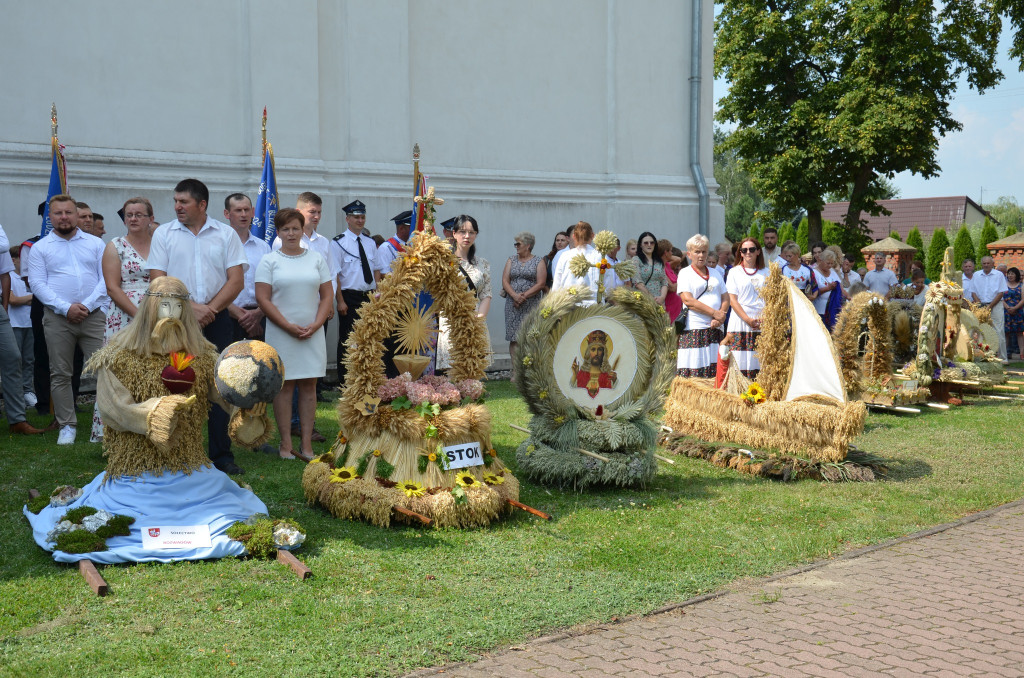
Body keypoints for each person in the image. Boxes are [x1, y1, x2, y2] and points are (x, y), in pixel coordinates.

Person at [147, 178, 246, 474]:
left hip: (216, 323)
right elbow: (157, 280)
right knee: (177, 381)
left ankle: (221, 455)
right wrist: (191, 308)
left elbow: (236, 280)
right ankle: (177, 450)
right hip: (176, 322)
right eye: (176, 201)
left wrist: (211, 309)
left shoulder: (225, 234)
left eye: (184, 202)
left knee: (219, 385)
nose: (177, 206)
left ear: (202, 205)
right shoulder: (164, 234)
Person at [28, 195, 108, 444]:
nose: (64, 217)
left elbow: (106, 278)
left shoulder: (96, 244)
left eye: (68, 212)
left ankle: (105, 424)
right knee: (61, 372)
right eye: (58, 213)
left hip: (94, 316)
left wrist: (85, 305)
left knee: (107, 371)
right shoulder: (41, 247)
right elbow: (37, 284)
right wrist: (66, 308)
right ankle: (67, 425)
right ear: (50, 218)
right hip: (57, 318)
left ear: (77, 214)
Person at [255, 208, 333, 461]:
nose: (291, 233)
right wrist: (287, 326)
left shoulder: (316, 259)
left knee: (309, 386)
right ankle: (286, 445)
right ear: (278, 232)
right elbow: (263, 299)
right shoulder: (269, 261)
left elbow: (327, 295)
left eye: (295, 228)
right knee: (284, 387)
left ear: (303, 230)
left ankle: (307, 445)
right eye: (285, 229)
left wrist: (317, 323)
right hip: (281, 332)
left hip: (312, 333)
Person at [90, 197, 155, 443]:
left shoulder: (161, 244)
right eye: (129, 215)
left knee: (151, 370)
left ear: (150, 217)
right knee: (121, 373)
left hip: (157, 312)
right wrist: (141, 317)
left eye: (139, 214)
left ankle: (149, 426)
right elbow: (112, 288)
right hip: (125, 316)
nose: (134, 219)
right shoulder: (115, 245)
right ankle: (115, 432)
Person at [330, 199, 381, 386]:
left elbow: (375, 268)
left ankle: (366, 376)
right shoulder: (337, 243)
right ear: (348, 219)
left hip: (368, 296)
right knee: (348, 339)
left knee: (369, 337)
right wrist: (340, 301)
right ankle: (345, 379)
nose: (360, 220)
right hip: (349, 296)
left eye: (362, 217)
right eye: (356, 217)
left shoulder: (369, 243)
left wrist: (378, 290)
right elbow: (335, 274)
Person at [1, 236, 44, 435]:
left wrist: (6, 308)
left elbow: (5, 276)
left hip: (11, 317)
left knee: (17, 358)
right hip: (15, 321)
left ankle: (18, 419)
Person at [437, 215, 492, 371]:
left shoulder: (483, 264)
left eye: (472, 232)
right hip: (451, 319)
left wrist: (478, 320)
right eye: (462, 231)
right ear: (453, 233)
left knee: (474, 372)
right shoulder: (443, 262)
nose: (467, 236)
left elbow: (486, 295)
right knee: (452, 371)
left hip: (475, 319)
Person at [677, 234, 729, 378]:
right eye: (697, 252)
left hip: (715, 327)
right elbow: (688, 300)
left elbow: (725, 297)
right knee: (695, 371)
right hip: (695, 329)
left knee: (714, 371)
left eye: (704, 251)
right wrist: (714, 312)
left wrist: (720, 316)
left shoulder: (715, 273)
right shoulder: (685, 273)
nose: (701, 255)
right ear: (689, 254)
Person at [725, 237, 769, 377]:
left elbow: (770, 297)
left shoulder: (766, 272)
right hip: (740, 319)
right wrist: (747, 319)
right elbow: (733, 299)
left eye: (751, 249)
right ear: (741, 253)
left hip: (762, 318)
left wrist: (765, 316)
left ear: (758, 252)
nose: (748, 252)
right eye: (744, 250)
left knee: (759, 359)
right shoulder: (734, 272)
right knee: (739, 360)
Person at [502, 231, 546, 367]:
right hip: (512, 304)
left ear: (528, 245)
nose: (516, 246)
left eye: (518, 244)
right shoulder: (511, 259)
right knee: (514, 339)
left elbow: (541, 283)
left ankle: (528, 370)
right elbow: (505, 280)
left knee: (529, 337)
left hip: (530, 304)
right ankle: (515, 371)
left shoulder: (538, 261)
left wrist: (524, 296)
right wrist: (515, 296)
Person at [8, 245, 40, 417]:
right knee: (16, 359)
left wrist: (27, 300)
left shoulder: (29, 278)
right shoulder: (10, 277)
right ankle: (16, 393)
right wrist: (32, 298)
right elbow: (12, 300)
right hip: (15, 324)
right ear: (13, 260)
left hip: (29, 323)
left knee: (29, 359)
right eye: (21, 258)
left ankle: (28, 390)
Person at [971, 255, 1009, 361]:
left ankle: (1003, 358)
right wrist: (981, 307)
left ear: (993, 264)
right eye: (984, 263)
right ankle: (982, 356)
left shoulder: (999, 275)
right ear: (981, 264)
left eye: (988, 263)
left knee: (998, 330)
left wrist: (990, 306)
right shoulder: (976, 275)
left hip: (996, 305)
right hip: (980, 306)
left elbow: (1001, 292)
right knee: (980, 330)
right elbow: (973, 292)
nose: (986, 265)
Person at [551, 221, 601, 300]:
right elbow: (608, 285)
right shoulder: (600, 256)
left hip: (569, 303)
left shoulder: (565, 256)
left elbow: (556, 285)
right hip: (594, 304)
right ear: (593, 236)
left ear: (574, 236)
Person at [630, 231, 668, 306]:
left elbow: (664, 282)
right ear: (640, 245)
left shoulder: (658, 261)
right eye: (646, 243)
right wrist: (651, 298)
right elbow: (637, 282)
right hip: (643, 301)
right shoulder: (636, 260)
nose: (649, 245)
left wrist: (662, 297)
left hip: (659, 302)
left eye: (652, 242)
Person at [812, 249, 843, 329]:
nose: (829, 265)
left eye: (832, 263)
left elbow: (841, 287)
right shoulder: (814, 272)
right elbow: (813, 292)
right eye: (828, 263)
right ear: (820, 260)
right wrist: (828, 288)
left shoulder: (832, 271)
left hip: (832, 310)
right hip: (819, 310)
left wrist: (849, 297)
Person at [377, 210, 413, 276]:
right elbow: (383, 274)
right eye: (412, 227)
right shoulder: (386, 248)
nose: (415, 230)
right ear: (401, 228)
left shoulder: (413, 246)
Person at [1003, 267, 1024, 360]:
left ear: (1017, 275)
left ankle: (1022, 354)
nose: (1010, 275)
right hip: (1006, 311)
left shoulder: (1021, 285)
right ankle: (1004, 354)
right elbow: (1000, 297)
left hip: (1018, 311)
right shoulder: (1003, 285)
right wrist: (1008, 307)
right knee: (1006, 333)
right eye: (1009, 273)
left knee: (1019, 333)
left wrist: (1015, 308)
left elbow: (1023, 299)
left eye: (1012, 274)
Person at [661, 240, 683, 323]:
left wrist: (667, 257)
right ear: (665, 252)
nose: (672, 253)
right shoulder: (660, 268)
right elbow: (672, 288)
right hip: (669, 307)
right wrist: (682, 280)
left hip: (676, 306)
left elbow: (679, 258)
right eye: (670, 251)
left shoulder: (667, 265)